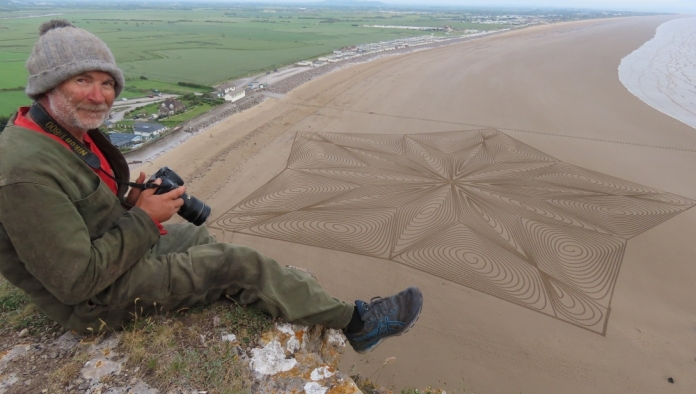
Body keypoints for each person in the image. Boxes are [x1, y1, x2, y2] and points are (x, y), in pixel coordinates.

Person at [0, 20, 422, 354]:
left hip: (109, 254)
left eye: (107, 82)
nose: (98, 95)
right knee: (237, 264)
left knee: (194, 233)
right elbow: (75, 282)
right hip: (92, 303)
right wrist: (144, 217)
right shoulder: (23, 169)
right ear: (47, 85)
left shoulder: (60, 131)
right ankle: (359, 323)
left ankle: (214, 282)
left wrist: (128, 200)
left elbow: (78, 211)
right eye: (82, 80)